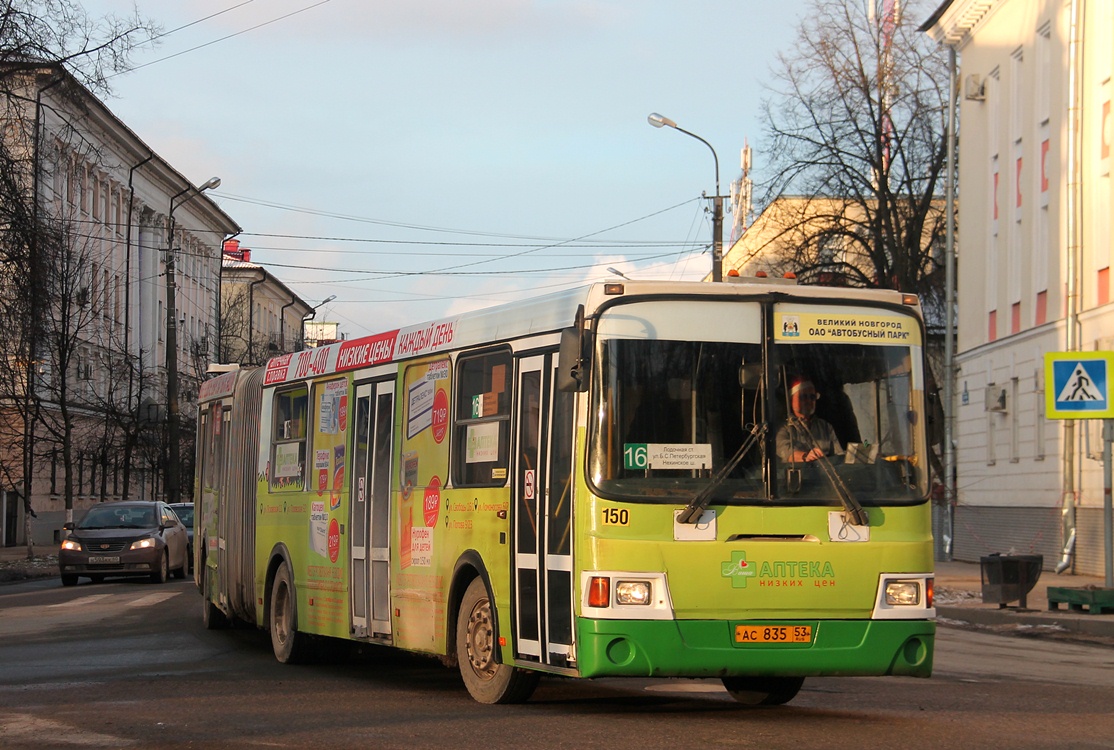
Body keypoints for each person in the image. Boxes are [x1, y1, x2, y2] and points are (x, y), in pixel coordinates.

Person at [776, 377, 844, 463]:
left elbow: (839, 457)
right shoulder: (780, 428)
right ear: (790, 400)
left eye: (812, 397)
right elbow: (785, 451)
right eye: (803, 396)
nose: (809, 401)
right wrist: (805, 457)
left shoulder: (825, 427)